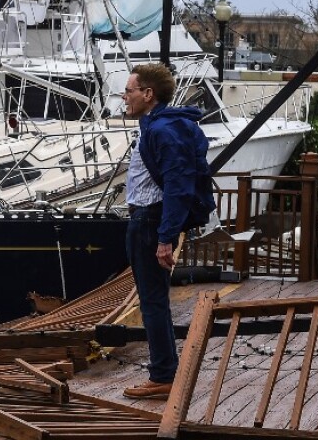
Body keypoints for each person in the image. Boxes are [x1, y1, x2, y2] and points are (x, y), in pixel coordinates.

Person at [120, 63, 215, 400]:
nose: (124, 96)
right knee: (154, 301)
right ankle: (166, 371)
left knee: (153, 302)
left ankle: (163, 376)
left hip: (149, 222)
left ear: (148, 94)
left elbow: (178, 184)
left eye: (130, 90)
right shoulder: (159, 127)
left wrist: (164, 238)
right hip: (147, 221)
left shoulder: (161, 131)